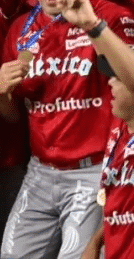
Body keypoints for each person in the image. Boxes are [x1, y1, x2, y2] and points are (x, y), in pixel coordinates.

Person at [0, 0, 134, 259]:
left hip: (92, 170)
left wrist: (92, 26)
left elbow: (131, 79)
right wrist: (0, 94)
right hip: (40, 172)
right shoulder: (21, 30)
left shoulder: (109, 16)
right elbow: (14, 115)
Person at [83, 77, 134, 259]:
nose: (110, 83)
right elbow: (122, 204)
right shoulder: (118, 127)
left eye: (119, 79)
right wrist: (95, 242)